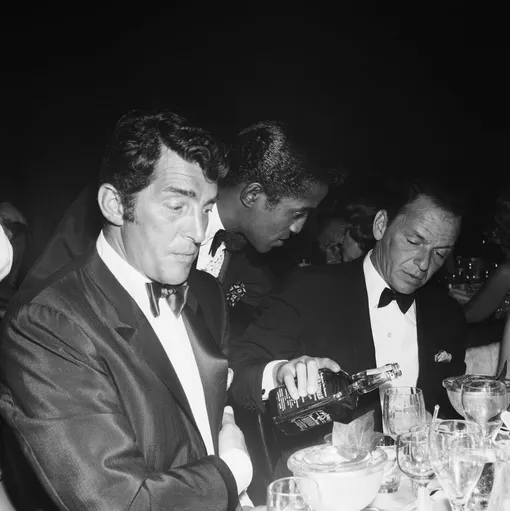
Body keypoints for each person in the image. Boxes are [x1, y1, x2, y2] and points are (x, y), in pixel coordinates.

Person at [0, 109, 261, 511]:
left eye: (206, 209)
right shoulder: (46, 324)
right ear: (114, 205)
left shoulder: (206, 293)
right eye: (177, 206)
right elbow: (119, 502)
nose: (198, 231)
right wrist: (233, 472)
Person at [229, 177, 468, 473]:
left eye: (440, 253)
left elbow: (447, 410)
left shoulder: (447, 314)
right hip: (330, 483)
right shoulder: (310, 290)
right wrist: (279, 373)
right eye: (413, 241)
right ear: (381, 225)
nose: (423, 263)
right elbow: (237, 369)